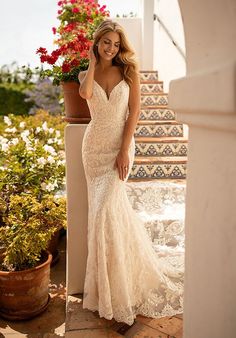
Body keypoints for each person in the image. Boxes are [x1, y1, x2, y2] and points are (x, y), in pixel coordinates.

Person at [78, 19, 184, 326]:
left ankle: (121, 288)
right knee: (104, 217)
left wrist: (125, 150)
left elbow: (134, 112)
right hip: (93, 150)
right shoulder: (88, 73)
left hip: (119, 146)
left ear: (120, 45)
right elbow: (85, 96)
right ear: (96, 44)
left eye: (115, 43)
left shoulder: (129, 71)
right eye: (105, 42)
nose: (111, 47)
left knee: (104, 212)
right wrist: (90, 63)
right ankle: (108, 290)